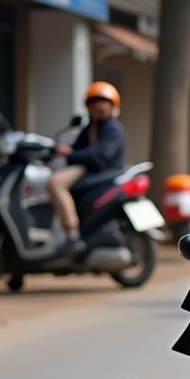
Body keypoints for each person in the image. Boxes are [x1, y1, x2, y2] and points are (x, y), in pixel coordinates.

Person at [48, 81, 126, 255]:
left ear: (112, 106)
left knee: (55, 182)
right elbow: (78, 149)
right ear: (88, 106)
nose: (99, 106)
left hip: (100, 171)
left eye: (103, 102)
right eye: (95, 102)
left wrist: (69, 153)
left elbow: (99, 155)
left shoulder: (112, 128)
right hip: (90, 171)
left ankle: (72, 234)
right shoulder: (90, 128)